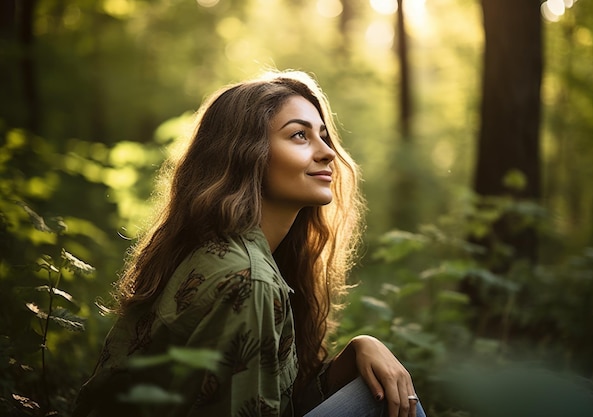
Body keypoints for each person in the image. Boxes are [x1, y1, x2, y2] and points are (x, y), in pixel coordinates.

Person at [73, 70, 425, 417]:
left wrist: (359, 350)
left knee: (378, 389)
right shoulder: (247, 277)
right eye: (300, 135)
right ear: (246, 153)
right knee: (386, 404)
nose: (327, 152)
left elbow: (278, 399)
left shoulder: (223, 251)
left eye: (322, 135)